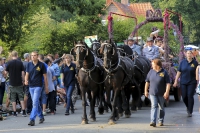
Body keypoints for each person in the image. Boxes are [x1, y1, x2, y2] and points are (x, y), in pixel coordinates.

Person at [144, 59, 170, 127]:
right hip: (152, 92)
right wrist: (146, 91)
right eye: (152, 64)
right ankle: (153, 121)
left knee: (161, 107)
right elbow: (147, 82)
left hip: (161, 93)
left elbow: (168, 83)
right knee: (154, 106)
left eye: (153, 64)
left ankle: (160, 120)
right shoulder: (151, 72)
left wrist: (166, 92)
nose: (152, 66)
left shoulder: (164, 72)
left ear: (157, 65)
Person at [25, 51, 48, 126]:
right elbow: (27, 74)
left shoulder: (42, 65)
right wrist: (26, 80)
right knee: (36, 103)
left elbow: (45, 77)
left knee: (34, 102)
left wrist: (46, 87)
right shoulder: (29, 64)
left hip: (38, 86)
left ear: (37, 56)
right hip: (31, 86)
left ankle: (32, 119)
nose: (33, 57)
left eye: (34, 55)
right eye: (32, 56)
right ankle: (41, 117)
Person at [173, 50, 198, 117]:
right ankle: (188, 106)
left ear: (192, 55)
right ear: (186, 54)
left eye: (190, 53)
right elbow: (179, 72)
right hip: (183, 82)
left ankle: (190, 111)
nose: (189, 54)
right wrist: (176, 81)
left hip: (192, 82)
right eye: (188, 53)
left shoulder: (195, 63)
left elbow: (198, 72)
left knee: (190, 95)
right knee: (184, 97)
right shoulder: (182, 62)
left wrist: (198, 81)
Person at [5, 51, 26, 117]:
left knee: (13, 98)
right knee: (21, 97)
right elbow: (22, 73)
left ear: (11, 55)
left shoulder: (9, 63)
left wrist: (8, 76)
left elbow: (6, 72)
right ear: (17, 55)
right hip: (19, 82)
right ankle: (24, 111)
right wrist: (23, 80)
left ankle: (14, 112)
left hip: (12, 83)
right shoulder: (20, 63)